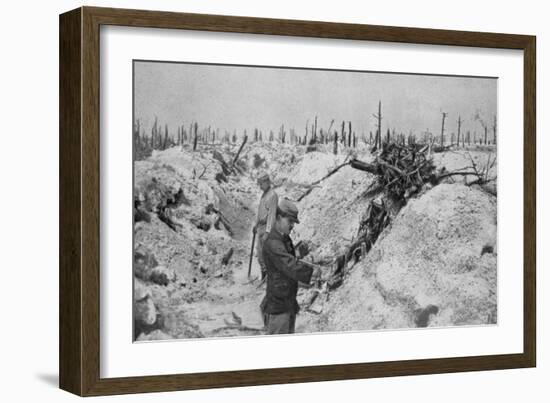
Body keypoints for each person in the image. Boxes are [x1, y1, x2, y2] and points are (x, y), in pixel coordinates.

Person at [260, 199, 320, 334]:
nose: (292, 225)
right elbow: (289, 265)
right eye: (290, 221)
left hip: (288, 302)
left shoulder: (283, 238)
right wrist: (312, 273)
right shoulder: (272, 242)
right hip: (278, 306)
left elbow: (290, 259)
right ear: (279, 218)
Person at [254, 173, 278, 280]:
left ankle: (270, 277)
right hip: (260, 227)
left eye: (261, 183)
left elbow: (272, 215)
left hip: (267, 228)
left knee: (267, 254)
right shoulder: (264, 195)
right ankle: (264, 275)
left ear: (267, 182)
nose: (260, 186)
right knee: (259, 253)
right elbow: (260, 212)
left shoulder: (272, 195)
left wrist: (268, 232)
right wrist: (256, 225)